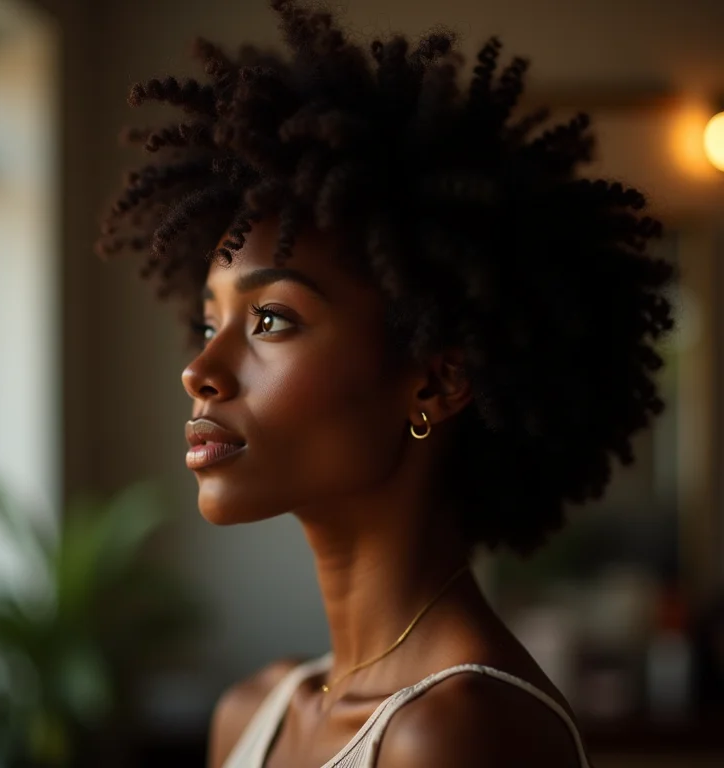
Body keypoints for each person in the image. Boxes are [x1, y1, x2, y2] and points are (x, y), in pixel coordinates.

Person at [96, 1, 676, 765]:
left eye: (270, 320)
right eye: (211, 325)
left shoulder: (460, 733)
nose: (199, 371)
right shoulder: (250, 714)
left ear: (435, 382)